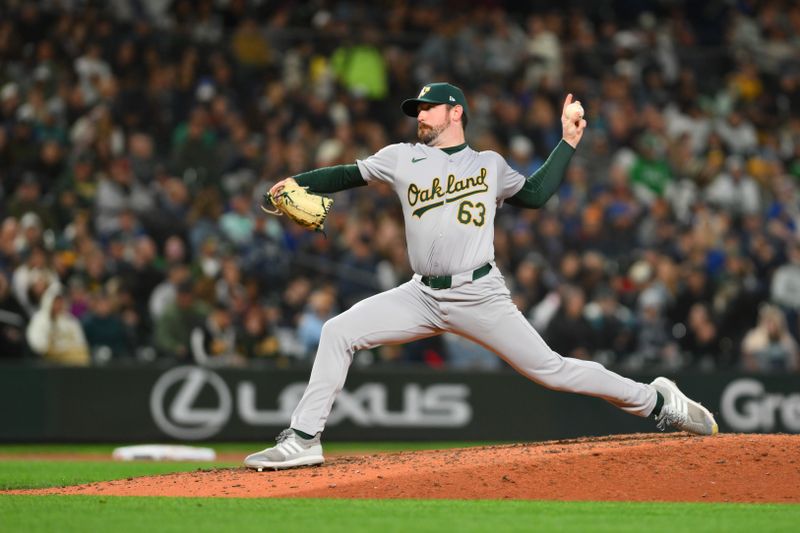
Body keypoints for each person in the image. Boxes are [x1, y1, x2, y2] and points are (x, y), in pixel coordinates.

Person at [244, 82, 718, 471]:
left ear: (456, 113)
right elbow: (347, 174)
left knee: (551, 371)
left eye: (428, 109)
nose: (420, 117)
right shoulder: (401, 157)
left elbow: (533, 195)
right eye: (417, 111)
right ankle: (304, 439)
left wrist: (568, 142)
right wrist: (299, 183)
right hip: (420, 294)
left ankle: (656, 401)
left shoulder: (490, 164)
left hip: (479, 293)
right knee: (338, 330)